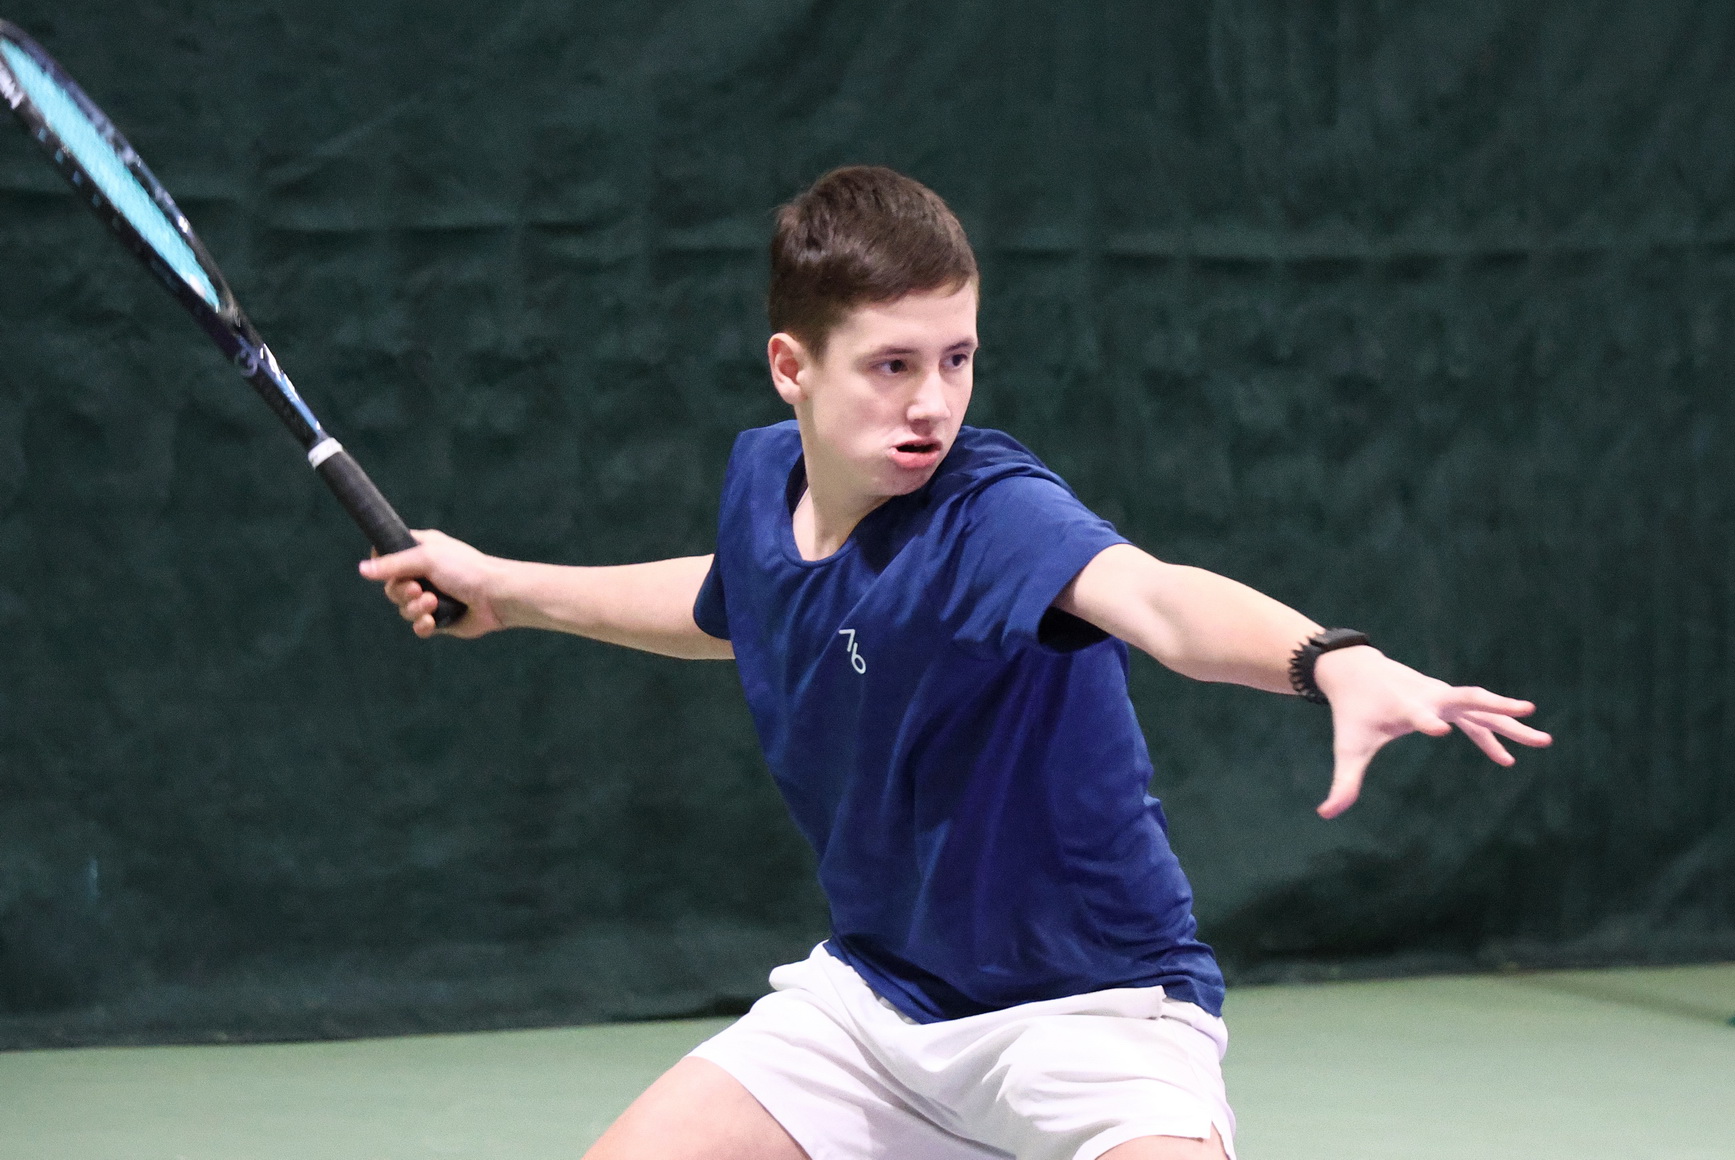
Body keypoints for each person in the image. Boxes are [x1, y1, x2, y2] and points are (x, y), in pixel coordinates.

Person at [360, 166, 1551, 1160]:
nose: (932, 403)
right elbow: (736, 600)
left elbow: (1158, 601)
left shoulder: (992, 513)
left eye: (957, 358)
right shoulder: (763, 484)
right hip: (876, 1005)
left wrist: (1327, 657)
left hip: (1092, 1012)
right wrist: (504, 588)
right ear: (791, 366)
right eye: (892, 364)